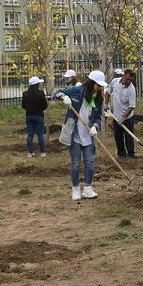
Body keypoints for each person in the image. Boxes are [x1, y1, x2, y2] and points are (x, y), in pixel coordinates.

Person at [55, 69, 106, 200]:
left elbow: (98, 116)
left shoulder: (99, 98)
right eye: (98, 85)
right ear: (91, 83)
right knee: (75, 162)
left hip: (88, 133)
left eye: (101, 86)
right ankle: (76, 189)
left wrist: (95, 126)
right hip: (74, 133)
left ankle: (88, 188)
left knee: (90, 161)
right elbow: (56, 93)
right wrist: (64, 97)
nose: (99, 88)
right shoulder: (77, 91)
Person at [110, 69, 137, 158]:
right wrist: (106, 104)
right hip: (116, 116)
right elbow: (107, 92)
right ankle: (121, 154)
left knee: (129, 137)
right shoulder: (114, 82)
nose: (128, 81)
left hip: (127, 118)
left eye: (130, 80)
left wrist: (123, 117)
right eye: (127, 79)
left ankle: (131, 154)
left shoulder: (131, 89)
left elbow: (132, 105)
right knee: (118, 137)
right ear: (123, 76)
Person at [22, 76, 49, 157]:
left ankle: (30, 152)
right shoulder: (41, 93)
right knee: (40, 134)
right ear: (37, 84)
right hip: (39, 116)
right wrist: (41, 109)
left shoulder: (25, 93)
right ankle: (42, 152)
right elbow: (45, 105)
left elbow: (23, 105)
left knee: (30, 134)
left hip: (29, 116)